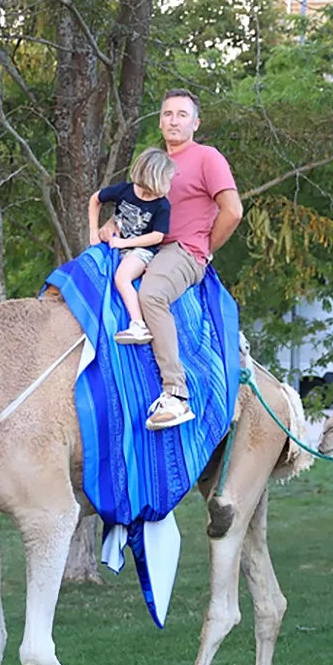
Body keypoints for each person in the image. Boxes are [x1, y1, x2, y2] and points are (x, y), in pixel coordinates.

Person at [123, 89, 242, 431]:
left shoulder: (207, 158)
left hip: (183, 250)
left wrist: (204, 249)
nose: (174, 120)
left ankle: (176, 394)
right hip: (148, 245)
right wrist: (112, 227)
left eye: (182, 114)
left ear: (195, 123)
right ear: (160, 122)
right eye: (168, 114)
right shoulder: (155, 162)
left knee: (151, 294)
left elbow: (233, 212)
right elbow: (137, 206)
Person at [92, 147, 176, 346]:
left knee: (122, 277)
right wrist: (93, 232)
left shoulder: (162, 205)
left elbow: (157, 236)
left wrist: (124, 243)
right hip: (119, 245)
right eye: (167, 179)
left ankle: (138, 324)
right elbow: (95, 199)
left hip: (142, 250)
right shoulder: (125, 190)